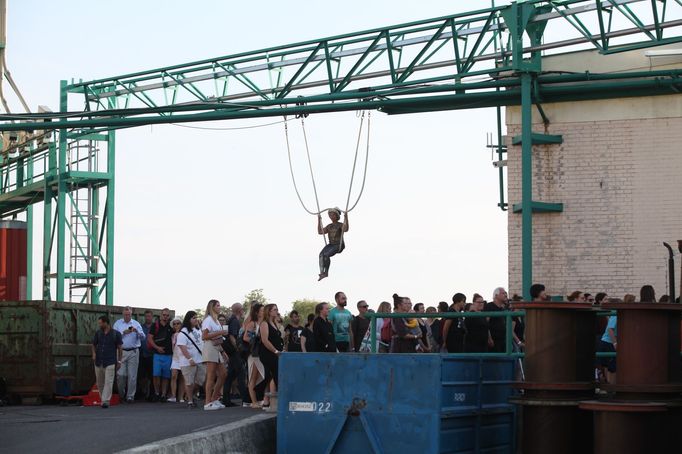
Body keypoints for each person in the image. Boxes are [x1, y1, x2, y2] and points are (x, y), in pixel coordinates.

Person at [113, 306, 145, 403]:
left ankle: (130, 396)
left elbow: (143, 337)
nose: (127, 316)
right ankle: (121, 395)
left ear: (131, 314)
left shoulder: (136, 324)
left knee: (132, 375)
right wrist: (123, 333)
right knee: (121, 375)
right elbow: (114, 337)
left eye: (129, 314)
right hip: (121, 351)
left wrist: (137, 332)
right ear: (123, 314)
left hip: (133, 351)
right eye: (126, 314)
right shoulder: (118, 324)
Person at [201, 300, 228, 411]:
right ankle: (207, 402)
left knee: (223, 374)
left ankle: (214, 398)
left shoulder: (216, 320)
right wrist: (220, 333)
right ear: (212, 307)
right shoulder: (208, 320)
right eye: (217, 305)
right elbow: (204, 336)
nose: (219, 307)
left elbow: (217, 338)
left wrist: (222, 351)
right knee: (211, 375)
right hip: (210, 347)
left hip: (217, 348)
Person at [91, 315, 122, 409]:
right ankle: (102, 399)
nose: (99, 325)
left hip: (110, 361)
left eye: (100, 323)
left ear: (106, 323)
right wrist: (94, 354)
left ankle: (105, 400)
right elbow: (93, 344)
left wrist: (119, 360)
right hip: (99, 360)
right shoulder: (98, 333)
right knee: (99, 382)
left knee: (108, 381)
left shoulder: (116, 334)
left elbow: (120, 348)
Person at [176, 311, 205, 409]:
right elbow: (182, 346)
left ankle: (191, 395)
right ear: (188, 319)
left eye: (196, 317)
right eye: (193, 318)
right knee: (189, 381)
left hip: (200, 359)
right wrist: (189, 358)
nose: (196, 319)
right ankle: (190, 401)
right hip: (188, 361)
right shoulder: (183, 332)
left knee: (201, 380)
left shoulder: (198, 330)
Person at [223, 303, 249, 407]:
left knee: (230, 375)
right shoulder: (234, 321)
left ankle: (226, 399)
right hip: (234, 351)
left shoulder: (233, 320)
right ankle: (245, 399)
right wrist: (238, 348)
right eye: (242, 309)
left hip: (232, 351)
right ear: (239, 310)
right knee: (241, 373)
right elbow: (232, 336)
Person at [147, 308, 173, 402]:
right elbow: (149, 338)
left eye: (167, 315)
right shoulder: (155, 325)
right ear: (161, 315)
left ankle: (163, 394)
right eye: (164, 315)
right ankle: (157, 393)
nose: (165, 317)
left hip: (168, 354)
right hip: (157, 354)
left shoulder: (171, 325)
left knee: (166, 376)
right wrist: (157, 347)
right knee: (156, 375)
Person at [243, 303, 266, 408]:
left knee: (263, 376)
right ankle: (254, 401)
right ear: (257, 312)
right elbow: (246, 338)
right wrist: (257, 339)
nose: (264, 311)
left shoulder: (264, 323)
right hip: (254, 354)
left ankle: (263, 399)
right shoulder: (252, 323)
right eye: (262, 310)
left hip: (262, 354)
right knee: (253, 376)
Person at [317, 208, 349, 280]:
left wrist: (346, 217)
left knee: (326, 255)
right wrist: (319, 220)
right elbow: (320, 231)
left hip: (338, 245)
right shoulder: (329, 226)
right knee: (321, 255)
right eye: (330, 215)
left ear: (336, 216)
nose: (331, 216)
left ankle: (326, 272)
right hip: (331, 245)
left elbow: (346, 229)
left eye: (333, 214)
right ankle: (322, 272)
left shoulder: (340, 225)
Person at [259, 304, 284, 392]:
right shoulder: (264, 323)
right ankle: (261, 396)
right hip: (268, 354)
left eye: (277, 309)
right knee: (270, 376)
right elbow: (265, 340)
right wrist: (275, 351)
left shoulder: (274, 323)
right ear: (269, 312)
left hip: (276, 354)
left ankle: (267, 401)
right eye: (275, 310)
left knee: (273, 377)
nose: (277, 311)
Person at [485, 287, 509, 353]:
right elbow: (486, 323)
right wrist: (489, 338)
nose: (505, 295)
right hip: (493, 340)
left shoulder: (503, 308)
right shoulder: (489, 306)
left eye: (505, 293)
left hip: (503, 340)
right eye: (503, 293)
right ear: (496, 295)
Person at [138, 310, 155, 400]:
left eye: (149, 316)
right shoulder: (140, 327)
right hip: (142, 354)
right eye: (146, 316)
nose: (148, 318)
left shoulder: (155, 327)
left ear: (152, 317)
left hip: (152, 355)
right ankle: (141, 393)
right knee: (140, 376)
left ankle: (151, 394)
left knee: (152, 376)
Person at [168, 317, 186, 403]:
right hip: (175, 357)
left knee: (182, 377)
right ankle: (173, 396)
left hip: (183, 357)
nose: (176, 325)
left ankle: (181, 397)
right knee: (174, 376)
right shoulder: (173, 335)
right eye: (174, 324)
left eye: (178, 323)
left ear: (181, 324)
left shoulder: (184, 333)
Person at [598, 312, 617, 384]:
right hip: (608, 342)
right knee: (612, 367)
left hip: (607, 342)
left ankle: (609, 386)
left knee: (607, 366)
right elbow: (610, 329)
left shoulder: (614, 315)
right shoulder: (615, 315)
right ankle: (610, 386)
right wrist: (615, 343)